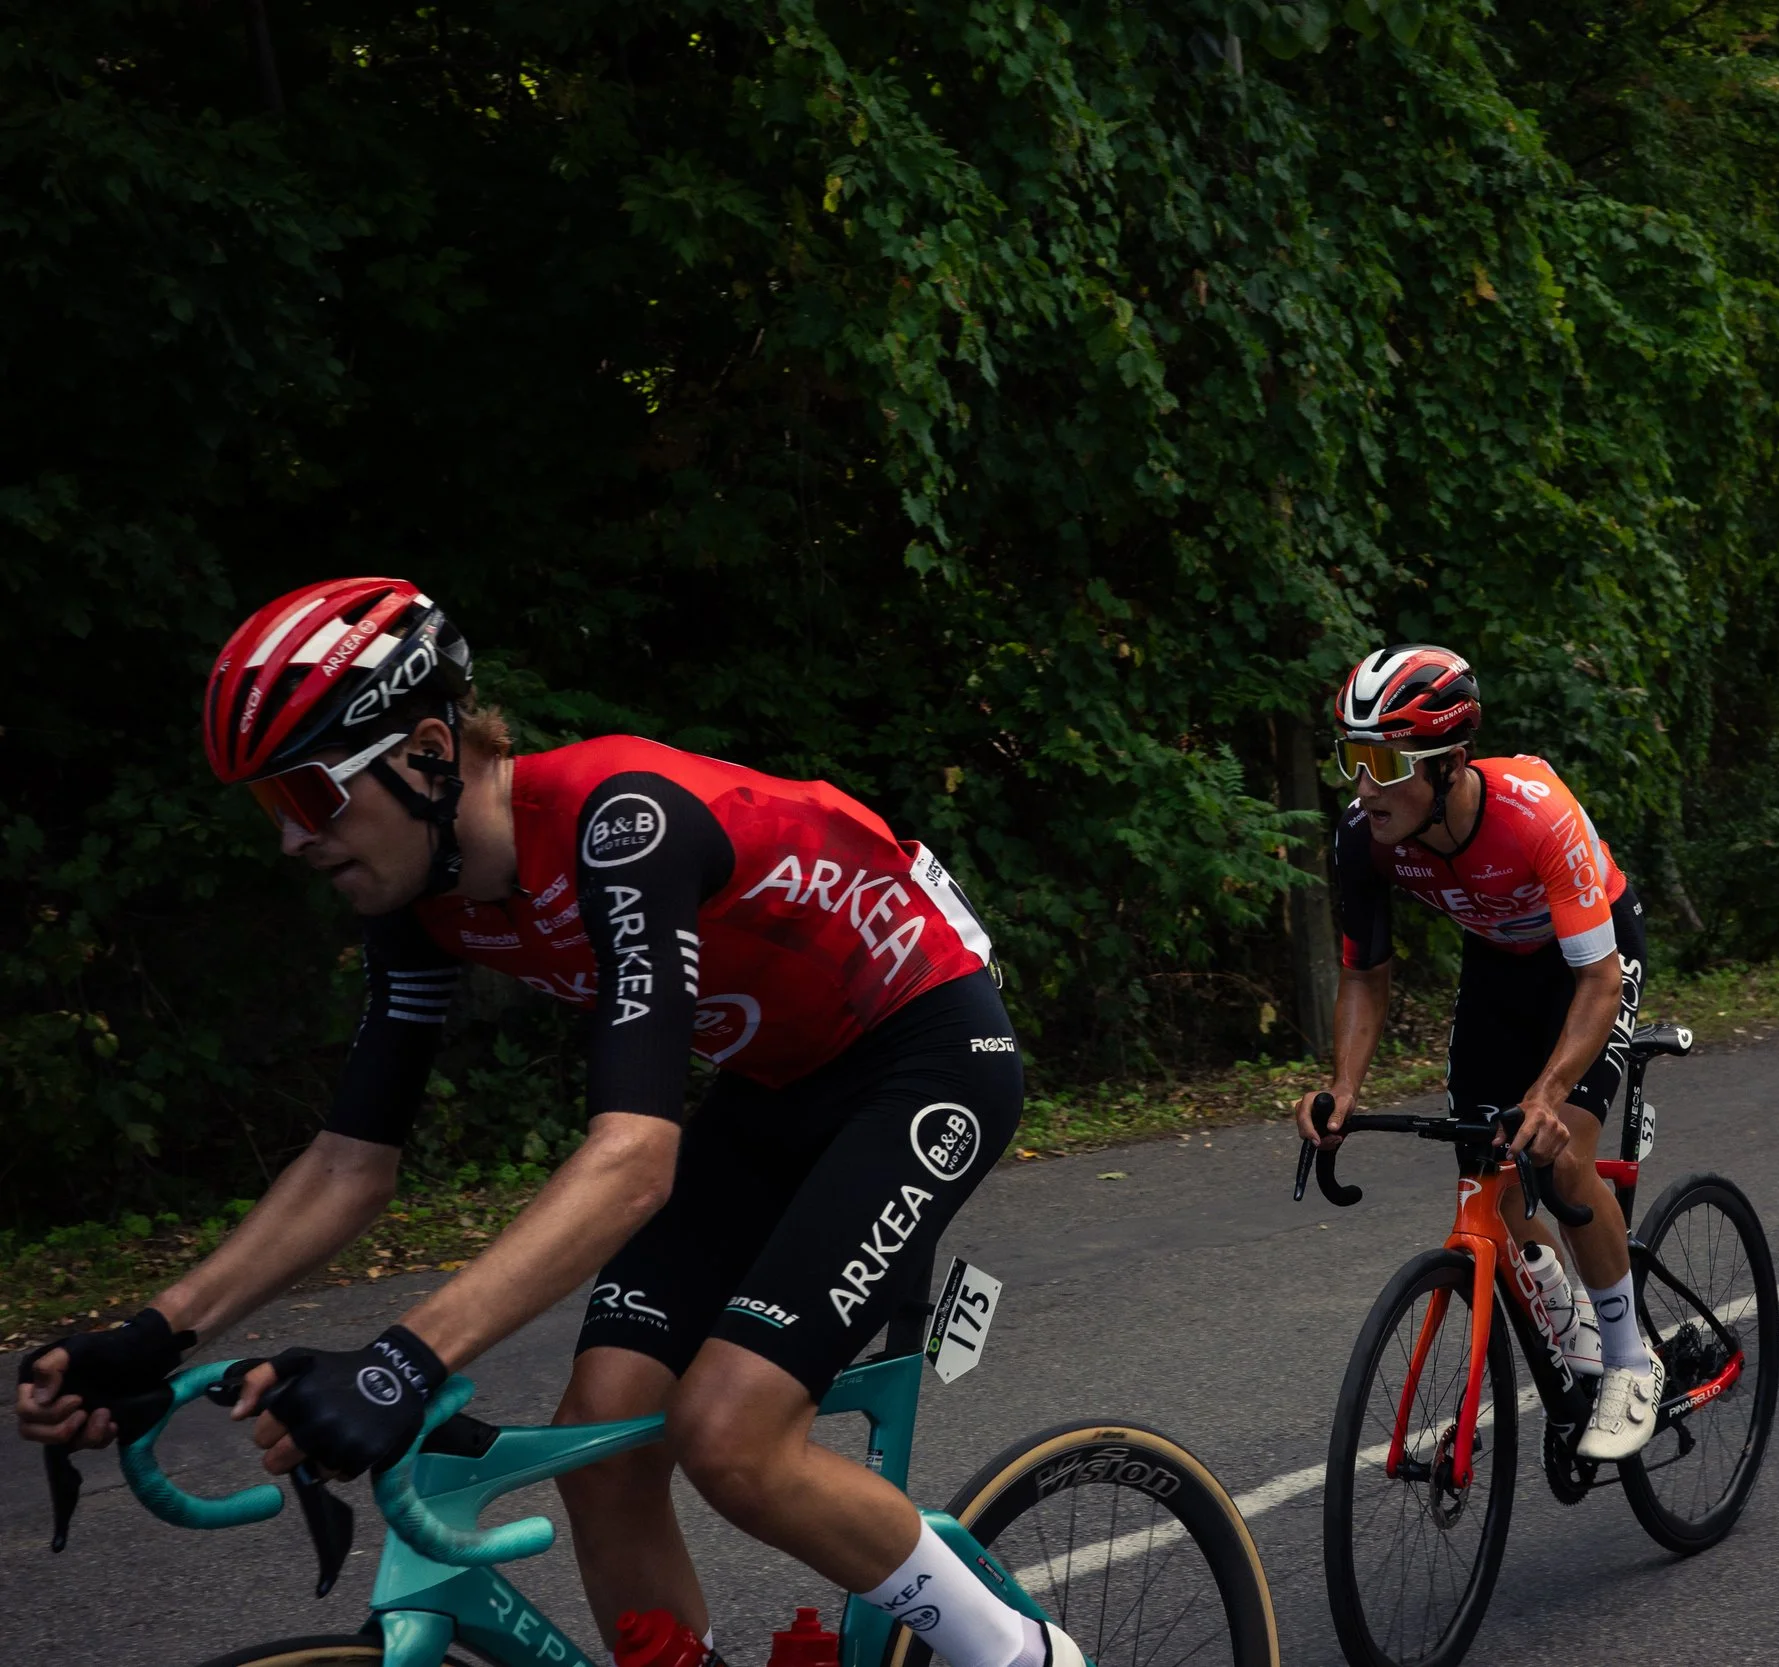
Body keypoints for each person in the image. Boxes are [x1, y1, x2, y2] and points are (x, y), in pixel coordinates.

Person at [15, 578, 1078, 1667]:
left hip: (924, 1055)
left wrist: (401, 1362)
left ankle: (1026, 1656)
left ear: (429, 750)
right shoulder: (420, 902)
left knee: (729, 1431)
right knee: (600, 1437)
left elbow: (632, 1160)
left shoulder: (622, 824)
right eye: (266, 809)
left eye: (308, 796)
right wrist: (151, 1334)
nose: (290, 841)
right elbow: (348, 1164)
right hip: (775, 1081)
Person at [1293, 645, 1661, 1460]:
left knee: (1559, 1153)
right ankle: (1568, 1322)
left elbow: (1597, 980)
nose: (1363, 785)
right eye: (1352, 758)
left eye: (1384, 762)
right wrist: (1344, 1087)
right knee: (1489, 1176)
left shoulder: (1536, 811)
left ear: (1450, 763)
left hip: (1592, 957)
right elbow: (1364, 971)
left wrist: (1549, 1092)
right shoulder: (1368, 836)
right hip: (1499, 962)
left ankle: (1632, 1359)